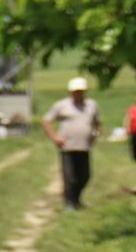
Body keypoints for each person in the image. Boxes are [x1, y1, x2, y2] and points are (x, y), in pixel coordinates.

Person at [42, 77, 102, 208]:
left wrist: (94, 136)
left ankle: (76, 199)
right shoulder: (62, 105)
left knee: (85, 176)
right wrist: (55, 137)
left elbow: (98, 123)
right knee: (70, 177)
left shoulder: (91, 105)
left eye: (81, 91)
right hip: (67, 147)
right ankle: (69, 203)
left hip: (84, 146)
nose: (78, 93)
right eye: (76, 91)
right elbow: (47, 121)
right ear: (70, 92)